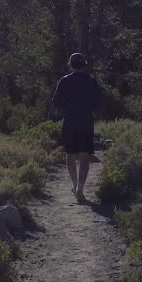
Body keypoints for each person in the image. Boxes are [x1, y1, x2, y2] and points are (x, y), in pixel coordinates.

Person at [50, 52, 102, 203]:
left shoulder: (65, 81)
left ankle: (74, 185)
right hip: (86, 121)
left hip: (70, 121)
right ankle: (80, 188)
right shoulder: (91, 81)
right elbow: (98, 102)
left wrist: (65, 108)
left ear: (71, 65)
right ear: (84, 65)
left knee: (71, 155)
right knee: (84, 156)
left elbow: (56, 101)